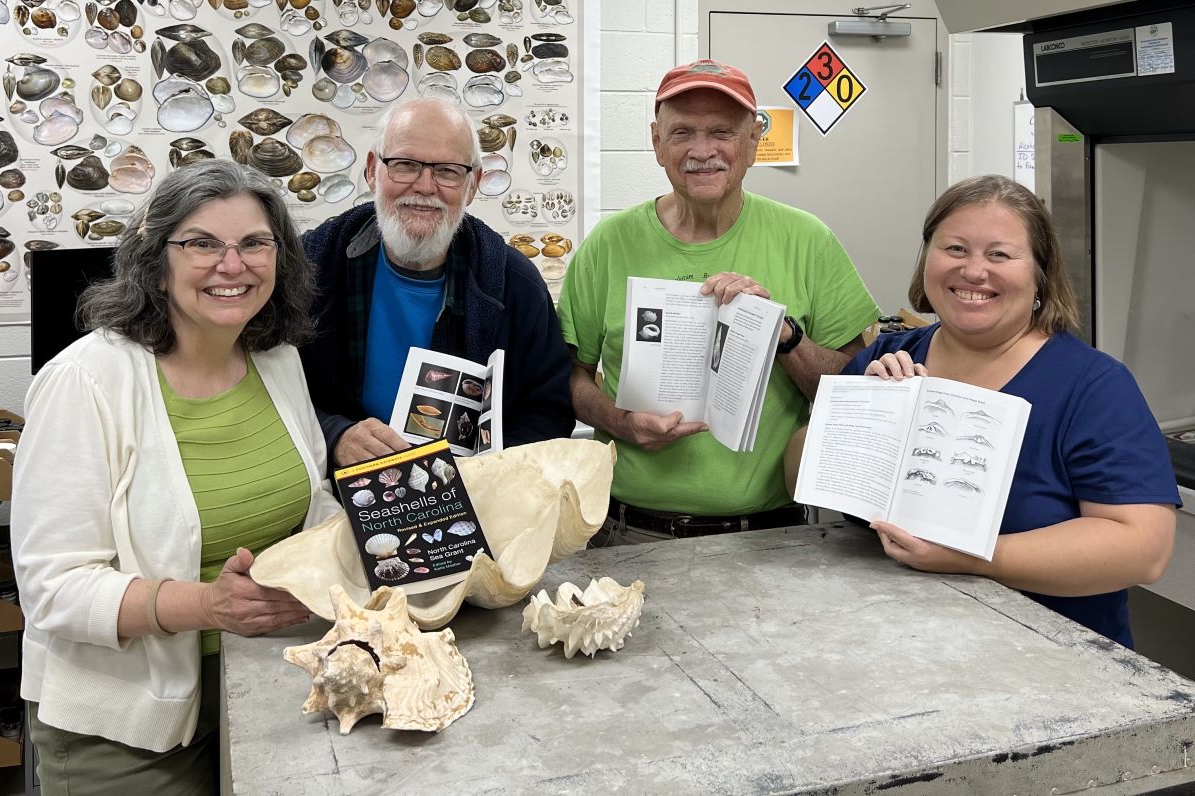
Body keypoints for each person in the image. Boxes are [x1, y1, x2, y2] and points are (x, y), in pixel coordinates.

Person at [11, 160, 341, 794]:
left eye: (253, 243)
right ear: (154, 259)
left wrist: (366, 537)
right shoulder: (86, 380)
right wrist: (211, 606)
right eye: (201, 244)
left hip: (269, 684)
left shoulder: (277, 362)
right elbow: (53, 590)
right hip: (124, 728)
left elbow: (312, 501)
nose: (232, 264)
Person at [788, 174, 1176, 647]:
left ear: (1040, 275)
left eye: (999, 254)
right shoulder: (886, 360)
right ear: (926, 261)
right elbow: (796, 478)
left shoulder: (1092, 387)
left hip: (1056, 667)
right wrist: (863, 415)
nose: (974, 271)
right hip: (894, 642)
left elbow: (1142, 550)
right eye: (954, 249)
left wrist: (971, 557)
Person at [558, 59, 880, 543]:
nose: (702, 151)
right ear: (656, 142)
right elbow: (571, 376)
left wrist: (784, 336)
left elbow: (856, 397)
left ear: (753, 141)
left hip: (774, 537)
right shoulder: (608, 244)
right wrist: (621, 423)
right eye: (682, 132)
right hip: (628, 532)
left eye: (722, 132)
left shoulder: (808, 239)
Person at [301, 97, 575, 467]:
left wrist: (484, 472)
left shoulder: (515, 284)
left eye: (447, 170)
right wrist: (334, 436)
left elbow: (550, 409)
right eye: (405, 165)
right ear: (372, 171)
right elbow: (267, 392)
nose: (425, 186)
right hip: (341, 499)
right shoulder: (312, 268)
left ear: (472, 185)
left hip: (474, 503)